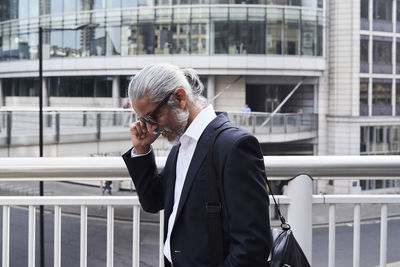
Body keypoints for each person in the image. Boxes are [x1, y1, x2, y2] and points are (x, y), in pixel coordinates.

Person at [122, 63, 272, 266]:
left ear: (180, 98)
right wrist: (142, 150)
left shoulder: (234, 146)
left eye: (153, 116)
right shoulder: (180, 147)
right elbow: (154, 201)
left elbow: (252, 245)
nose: (151, 128)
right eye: (143, 120)